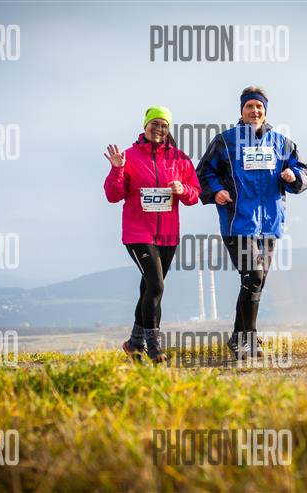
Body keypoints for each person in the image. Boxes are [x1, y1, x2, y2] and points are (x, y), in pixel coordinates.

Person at [196, 86, 307, 360]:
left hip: (270, 225)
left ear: (265, 111)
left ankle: (239, 337)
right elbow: (203, 174)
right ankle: (248, 338)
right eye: (249, 106)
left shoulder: (282, 143)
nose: (254, 111)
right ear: (241, 110)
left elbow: (304, 173)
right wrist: (216, 191)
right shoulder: (225, 141)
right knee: (254, 276)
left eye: (259, 107)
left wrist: (293, 175)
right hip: (238, 223)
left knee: (254, 282)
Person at [104, 106, 200, 362]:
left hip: (168, 236)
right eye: (154, 123)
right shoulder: (129, 156)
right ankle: (154, 346)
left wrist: (183, 189)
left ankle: (134, 343)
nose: (158, 129)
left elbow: (195, 194)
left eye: (164, 125)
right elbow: (113, 195)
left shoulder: (179, 159)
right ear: (145, 126)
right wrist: (117, 169)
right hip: (138, 234)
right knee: (156, 285)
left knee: (149, 287)